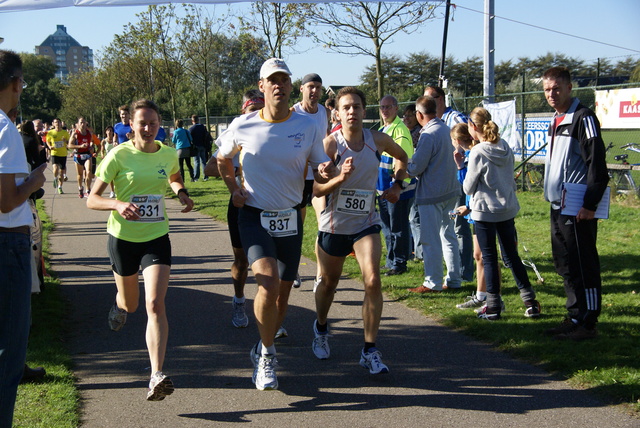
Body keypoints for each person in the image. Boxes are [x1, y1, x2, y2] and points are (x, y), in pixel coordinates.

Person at [216, 58, 330, 390]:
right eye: (272, 80)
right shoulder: (243, 124)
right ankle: (267, 356)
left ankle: (263, 345)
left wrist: (326, 172)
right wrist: (233, 188)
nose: (278, 85)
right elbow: (222, 158)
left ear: (290, 86)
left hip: (291, 217)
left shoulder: (308, 127)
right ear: (262, 86)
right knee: (266, 282)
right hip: (253, 215)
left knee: (281, 297)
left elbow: (319, 164)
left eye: (284, 80)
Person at [87, 98, 194, 401]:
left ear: (161, 125)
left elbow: (173, 177)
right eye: (142, 123)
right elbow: (92, 199)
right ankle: (119, 304)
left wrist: (181, 193)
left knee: (155, 305)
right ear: (131, 125)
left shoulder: (169, 154)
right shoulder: (118, 155)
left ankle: (156, 374)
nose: (148, 128)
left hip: (156, 236)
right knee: (131, 304)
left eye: (153, 123)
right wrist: (117, 204)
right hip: (122, 239)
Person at [311, 86, 408, 374]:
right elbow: (316, 190)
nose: (352, 111)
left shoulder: (377, 139)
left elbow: (403, 158)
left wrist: (397, 184)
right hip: (334, 225)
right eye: (346, 107)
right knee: (329, 283)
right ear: (337, 113)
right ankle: (320, 326)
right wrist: (338, 178)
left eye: (356, 107)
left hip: (366, 223)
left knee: (373, 280)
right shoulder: (330, 145)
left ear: (365, 112)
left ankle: (369, 349)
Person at [542, 66, 608, 340]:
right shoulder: (556, 120)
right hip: (558, 206)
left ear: (570, 87)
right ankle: (574, 314)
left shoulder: (584, 118)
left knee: (584, 265)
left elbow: (597, 165)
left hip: (578, 208)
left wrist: (590, 205)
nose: (552, 94)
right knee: (565, 264)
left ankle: (588, 322)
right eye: (547, 89)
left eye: (557, 88)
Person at [0, 49, 47, 427]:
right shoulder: (4, 129)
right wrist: (35, 179)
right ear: (15, 83)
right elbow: (6, 201)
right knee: (9, 354)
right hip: (7, 246)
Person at [463, 107, 541, 320]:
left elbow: (468, 187)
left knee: (489, 258)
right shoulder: (504, 146)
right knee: (511, 257)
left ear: (473, 126)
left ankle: (494, 306)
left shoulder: (478, 152)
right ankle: (530, 301)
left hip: (485, 211)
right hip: (506, 208)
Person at [204, 89, 265, 329]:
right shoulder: (235, 131)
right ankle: (239, 301)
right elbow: (210, 168)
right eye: (252, 110)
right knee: (242, 261)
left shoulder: (275, 129)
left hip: (270, 205)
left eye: (260, 109)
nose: (256, 115)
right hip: (241, 204)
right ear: (243, 110)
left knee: (269, 261)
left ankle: (269, 311)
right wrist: (241, 169)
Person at [407, 96, 461, 293]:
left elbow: (417, 167)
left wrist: (406, 166)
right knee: (449, 236)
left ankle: (433, 282)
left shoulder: (428, 134)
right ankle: (454, 279)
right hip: (451, 190)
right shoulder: (446, 128)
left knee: (430, 239)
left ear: (419, 114)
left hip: (432, 194)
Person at [424, 85, 473, 282]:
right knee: (450, 228)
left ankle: (463, 272)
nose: (428, 103)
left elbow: (472, 143)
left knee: (460, 227)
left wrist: (465, 164)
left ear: (440, 99)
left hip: (461, 178)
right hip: (448, 181)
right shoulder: (435, 121)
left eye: (431, 99)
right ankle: (455, 272)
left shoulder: (456, 118)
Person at [292, 72, 330, 291]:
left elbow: (325, 140)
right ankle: (293, 268)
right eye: (310, 87)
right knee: (297, 227)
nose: (314, 91)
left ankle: (319, 276)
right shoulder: (293, 113)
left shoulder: (323, 112)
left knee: (323, 224)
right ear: (302, 88)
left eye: (317, 87)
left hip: (318, 178)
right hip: (297, 179)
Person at [376, 95, 414, 276]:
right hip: (383, 188)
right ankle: (391, 260)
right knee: (387, 226)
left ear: (396, 108)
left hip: (397, 188)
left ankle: (399, 263)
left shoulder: (399, 130)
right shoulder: (384, 128)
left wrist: (398, 185)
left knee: (398, 226)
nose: (385, 110)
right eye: (382, 107)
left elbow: (403, 159)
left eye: (388, 107)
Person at [402, 103, 423, 262]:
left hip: (416, 180)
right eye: (405, 115)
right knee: (409, 218)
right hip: (407, 180)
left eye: (410, 115)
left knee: (415, 217)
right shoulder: (406, 132)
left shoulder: (418, 134)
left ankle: (420, 253)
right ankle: (412, 250)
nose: (406, 118)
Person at [67, 117, 94, 198]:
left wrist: (91, 147)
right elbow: (69, 145)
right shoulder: (75, 133)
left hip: (87, 155)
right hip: (78, 155)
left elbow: (92, 141)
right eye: (81, 123)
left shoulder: (89, 133)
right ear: (78, 124)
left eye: (84, 122)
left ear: (86, 123)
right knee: (80, 175)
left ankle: (88, 190)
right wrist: (80, 146)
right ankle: (80, 188)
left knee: (89, 172)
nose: (82, 124)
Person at [46, 118, 70, 194]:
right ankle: (55, 178)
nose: (57, 124)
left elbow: (69, 142)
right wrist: (50, 146)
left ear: (61, 124)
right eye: (56, 122)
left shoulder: (65, 132)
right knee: (55, 168)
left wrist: (65, 141)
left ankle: (60, 187)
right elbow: (47, 141)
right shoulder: (50, 132)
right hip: (54, 153)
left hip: (63, 153)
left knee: (62, 172)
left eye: (59, 122)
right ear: (53, 124)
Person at [188, 115, 212, 182]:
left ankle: (196, 177)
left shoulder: (191, 129)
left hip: (195, 146)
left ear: (192, 121)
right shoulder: (203, 127)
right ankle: (206, 176)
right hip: (203, 146)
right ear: (198, 120)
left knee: (196, 162)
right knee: (204, 162)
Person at [101, 125, 117, 198]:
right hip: (108, 160)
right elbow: (102, 151)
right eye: (108, 130)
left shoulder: (115, 140)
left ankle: (117, 191)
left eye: (111, 130)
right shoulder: (104, 141)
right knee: (110, 177)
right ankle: (112, 191)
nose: (110, 132)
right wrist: (102, 155)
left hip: (115, 159)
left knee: (116, 177)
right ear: (106, 132)